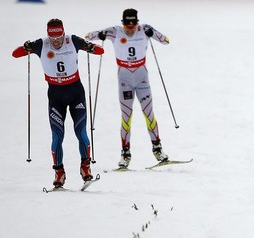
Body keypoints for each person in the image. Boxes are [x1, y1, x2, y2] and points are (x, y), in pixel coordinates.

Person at [12, 19, 104, 188]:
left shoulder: (73, 41)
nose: (55, 42)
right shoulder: (41, 44)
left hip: (76, 94)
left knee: (81, 132)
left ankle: (86, 167)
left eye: (58, 37)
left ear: (63, 33)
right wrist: (26, 47)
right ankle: (59, 172)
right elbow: (15, 54)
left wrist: (90, 47)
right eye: (52, 38)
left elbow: (100, 51)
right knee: (57, 136)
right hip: (55, 97)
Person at [85, 8, 170, 169]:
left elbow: (166, 40)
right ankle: (125, 154)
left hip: (142, 78)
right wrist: (100, 35)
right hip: (124, 79)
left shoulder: (144, 29)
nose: (130, 28)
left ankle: (158, 149)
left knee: (149, 113)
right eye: (126, 24)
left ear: (136, 22)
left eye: (132, 24)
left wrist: (154, 33)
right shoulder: (115, 31)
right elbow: (88, 36)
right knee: (126, 116)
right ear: (122, 23)